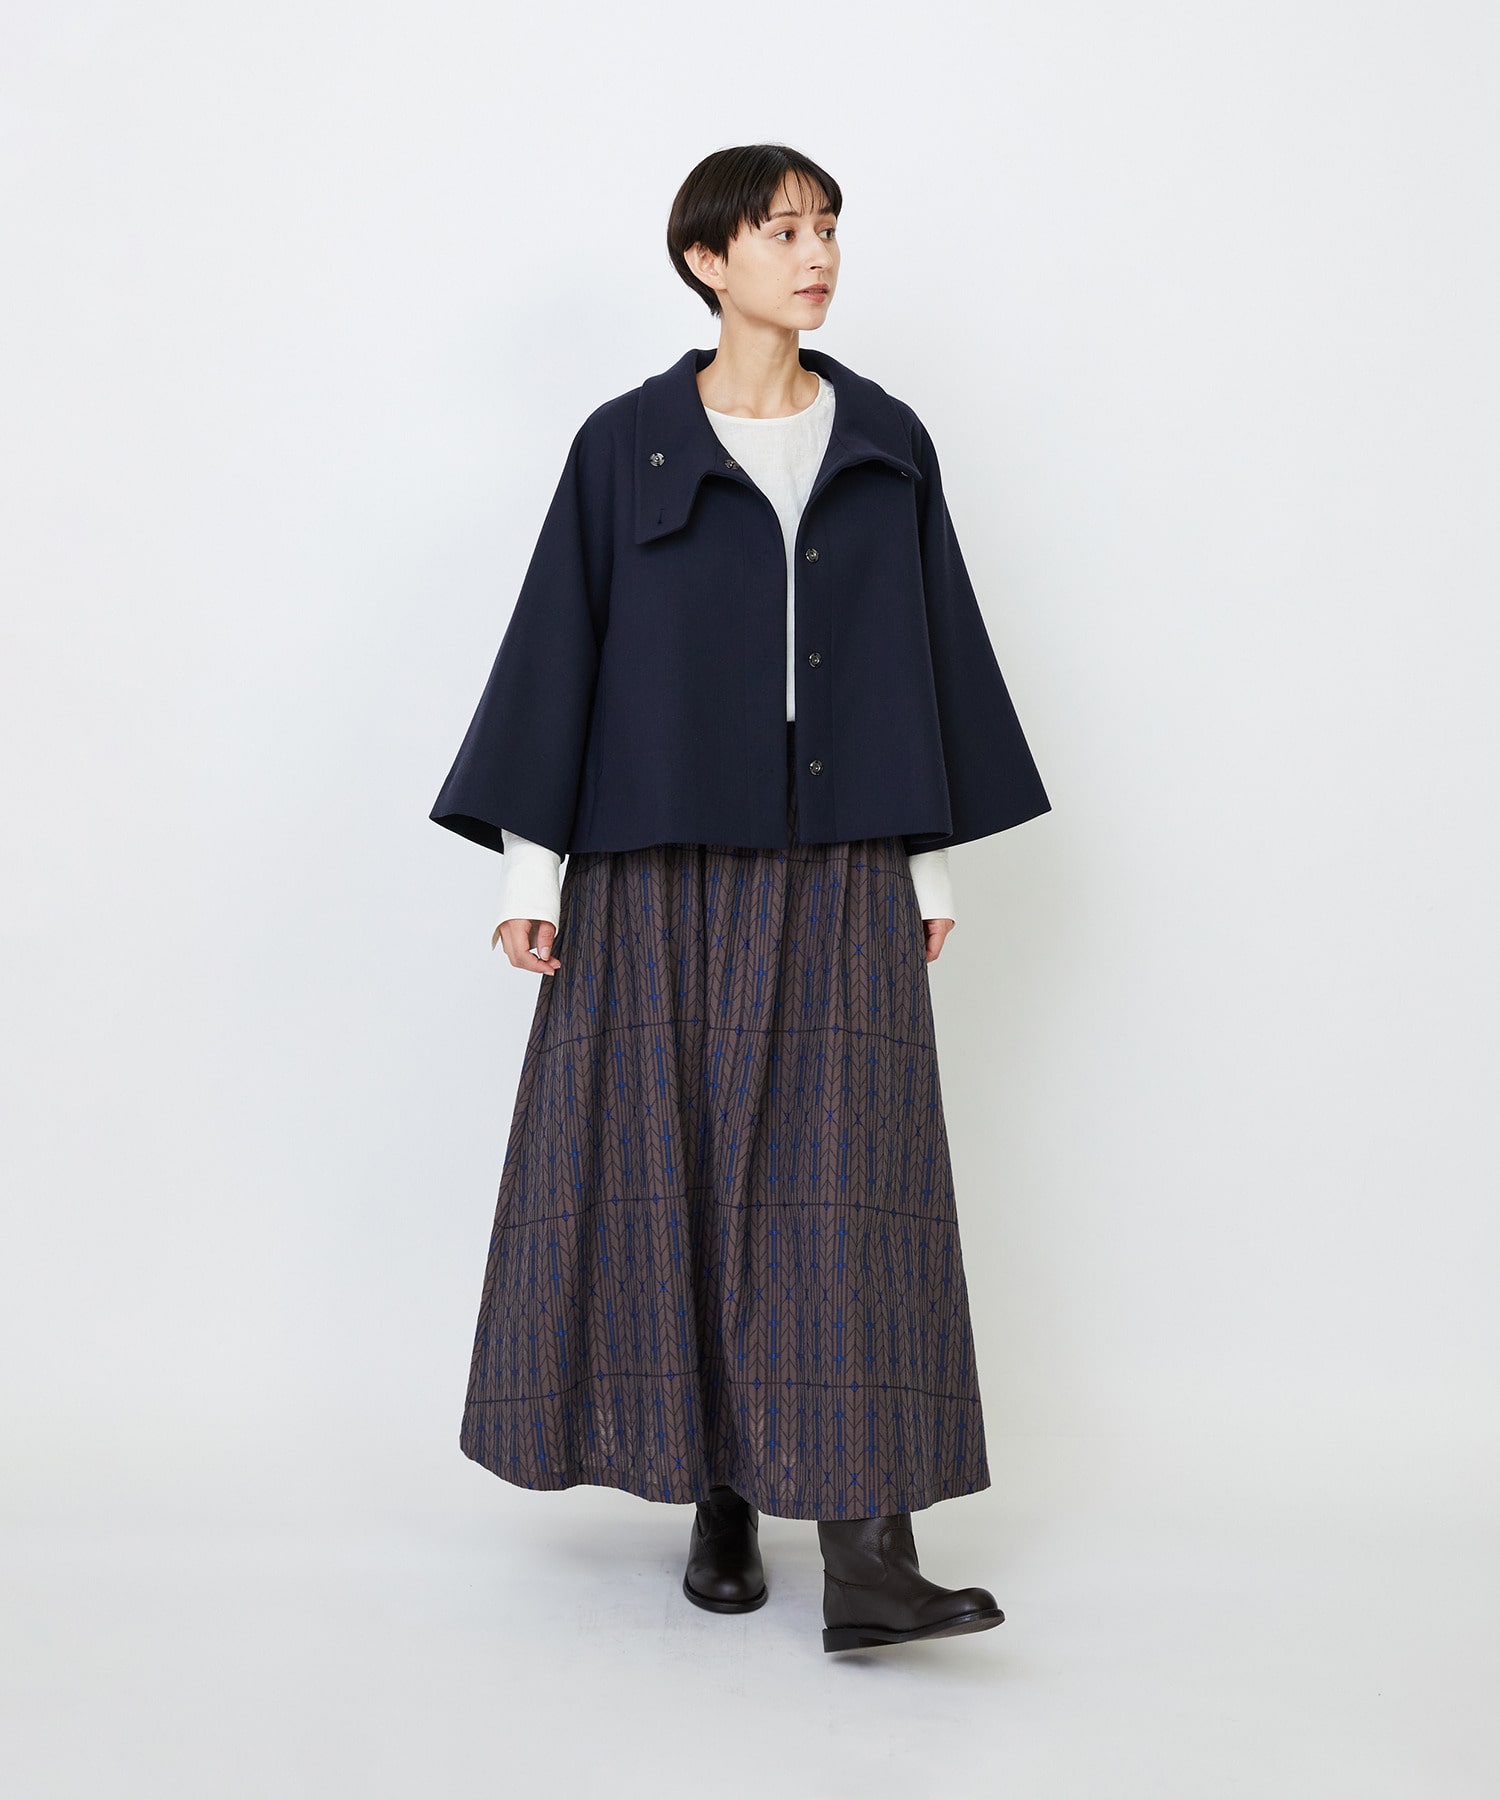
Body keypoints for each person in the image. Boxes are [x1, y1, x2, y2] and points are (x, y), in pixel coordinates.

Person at [429, 143, 1051, 1653]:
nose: (815, 253)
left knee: (852, 1190)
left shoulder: (885, 438)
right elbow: (559, 647)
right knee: (680, 1171)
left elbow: (928, 650)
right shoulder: (627, 445)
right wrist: (531, 870)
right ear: (709, 261)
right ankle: (720, 1492)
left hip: (843, 851)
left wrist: (926, 857)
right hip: (658, 855)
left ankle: (871, 1556)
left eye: (827, 227)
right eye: (782, 230)